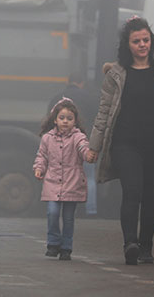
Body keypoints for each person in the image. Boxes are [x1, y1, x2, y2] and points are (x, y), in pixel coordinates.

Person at [86, 16, 154, 265]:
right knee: (132, 190)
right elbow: (104, 112)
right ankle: (130, 244)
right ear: (128, 44)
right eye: (136, 41)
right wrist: (94, 146)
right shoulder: (115, 75)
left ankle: (146, 247)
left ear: (152, 41)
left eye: (146, 40)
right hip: (126, 143)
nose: (142, 45)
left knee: (151, 195)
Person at [33, 97, 93, 261]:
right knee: (52, 213)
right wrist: (39, 168)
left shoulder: (78, 137)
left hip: (72, 183)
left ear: (75, 121)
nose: (65, 121)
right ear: (55, 120)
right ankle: (53, 244)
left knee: (68, 218)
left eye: (69, 118)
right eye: (62, 118)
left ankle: (66, 247)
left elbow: (84, 148)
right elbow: (42, 156)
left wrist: (88, 154)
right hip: (52, 182)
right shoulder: (47, 138)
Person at [49, 73, 99, 215]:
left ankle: (62, 208)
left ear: (68, 81)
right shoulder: (89, 98)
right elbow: (98, 119)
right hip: (85, 142)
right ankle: (91, 210)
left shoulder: (57, 98)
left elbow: (49, 120)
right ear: (81, 83)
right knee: (88, 177)